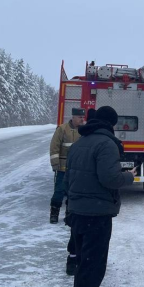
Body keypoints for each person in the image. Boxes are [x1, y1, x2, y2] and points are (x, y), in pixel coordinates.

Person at [64, 106, 136, 287]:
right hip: (96, 214)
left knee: (82, 262)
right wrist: (128, 176)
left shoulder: (79, 143)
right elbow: (110, 179)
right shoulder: (107, 144)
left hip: (77, 212)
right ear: (112, 124)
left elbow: (67, 180)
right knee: (93, 266)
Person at [64, 108, 98, 276]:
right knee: (89, 235)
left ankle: (72, 261)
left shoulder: (79, 141)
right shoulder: (96, 141)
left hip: (76, 196)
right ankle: (82, 263)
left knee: (76, 232)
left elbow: (69, 174)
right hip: (89, 200)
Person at [49, 108, 86, 223]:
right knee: (59, 191)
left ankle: (69, 214)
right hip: (63, 168)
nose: (82, 119)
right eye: (79, 117)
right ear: (73, 117)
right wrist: (55, 164)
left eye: (82, 117)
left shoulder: (85, 130)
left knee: (73, 192)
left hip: (78, 168)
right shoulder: (62, 129)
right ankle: (54, 213)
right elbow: (54, 146)